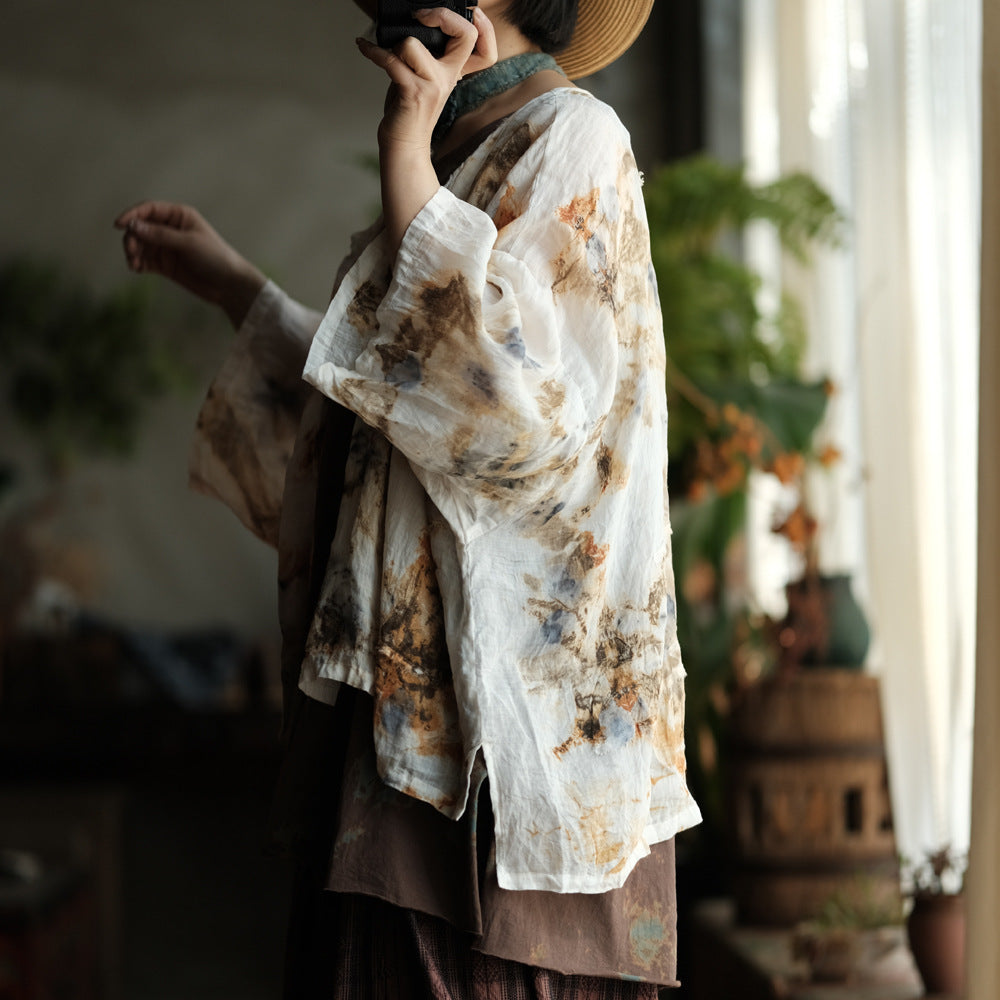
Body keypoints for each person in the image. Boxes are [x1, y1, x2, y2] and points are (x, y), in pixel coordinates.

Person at [115, 0, 701, 995]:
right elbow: (392, 423)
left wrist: (404, 160)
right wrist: (239, 291)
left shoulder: (575, 134)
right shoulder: (463, 138)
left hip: (500, 759)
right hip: (409, 727)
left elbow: (510, 422)